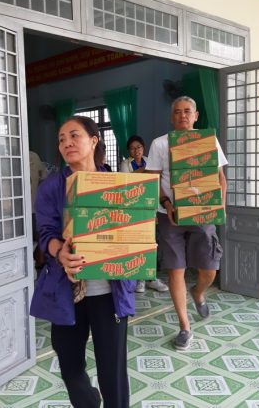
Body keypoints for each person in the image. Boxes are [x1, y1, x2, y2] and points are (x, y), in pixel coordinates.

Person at [30, 115, 134, 408]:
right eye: (61, 139)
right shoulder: (52, 187)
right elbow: (46, 232)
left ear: (93, 141)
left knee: (112, 370)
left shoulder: (117, 184)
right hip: (67, 291)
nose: (67, 143)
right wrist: (59, 252)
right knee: (70, 364)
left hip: (109, 292)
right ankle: (89, 400)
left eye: (74, 135)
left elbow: (133, 229)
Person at [146, 96, 227, 350]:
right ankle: (184, 326)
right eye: (178, 112)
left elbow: (220, 178)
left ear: (196, 115)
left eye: (187, 111)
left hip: (202, 212)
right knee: (175, 269)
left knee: (210, 268)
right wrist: (166, 203)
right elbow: (153, 179)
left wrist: (218, 206)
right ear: (172, 117)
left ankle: (198, 292)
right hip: (169, 214)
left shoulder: (208, 141)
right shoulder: (160, 144)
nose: (183, 115)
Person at [120, 134, 169, 294]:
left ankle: (151, 278)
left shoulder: (150, 160)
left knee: (152, 243)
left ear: (144, 148)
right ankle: (139, 279)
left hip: (151, 207)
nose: (136, 151)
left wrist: (146, 171)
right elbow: (127, 180)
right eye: (132, 148)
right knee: (137, 243)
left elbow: (157, 178)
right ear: (129, 151)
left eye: (139, 147)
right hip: (133, 209)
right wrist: (145, 171)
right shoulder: (125, 164)